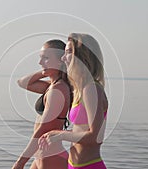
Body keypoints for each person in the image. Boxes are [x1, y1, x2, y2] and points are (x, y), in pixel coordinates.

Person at [39, 33, 109, 169]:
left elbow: (94, 138)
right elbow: (81, 131)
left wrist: (61, 135)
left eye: (69, 52)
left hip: (89, 166)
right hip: (74, 165)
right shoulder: (80, 89)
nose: (64, 57)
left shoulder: (91, 89)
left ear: (83, 57)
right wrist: (55, 134)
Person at [12, 39, 72, 169]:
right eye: (41, 58)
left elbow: (43, 129)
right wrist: (47, 70)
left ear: (60, 59)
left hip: (51, 157)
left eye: (45, 58)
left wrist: (20, 162)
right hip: (41, 156)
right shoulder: (52, 86)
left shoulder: (58, 90)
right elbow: (22, 82)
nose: (40, 62)